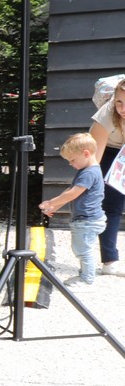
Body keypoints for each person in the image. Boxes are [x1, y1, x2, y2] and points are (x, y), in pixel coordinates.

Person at [39, 131, 106, 287]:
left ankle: (87, 280)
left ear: (86, 154)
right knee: (82, 249)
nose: (71, 164)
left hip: (87, 220)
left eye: (72, 160)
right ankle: (84, 276)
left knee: (83, 251)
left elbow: (72, 194)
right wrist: (54, 206)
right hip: (87, 220)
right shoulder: (87, 171)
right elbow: (70, 192)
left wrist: (50, 202)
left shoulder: (89, 173)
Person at [86, 75, 125, 275]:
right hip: (109, 150)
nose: (123, 109)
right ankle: (109, 261)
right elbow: (94, 161)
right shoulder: (107, 114)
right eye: (119, 102)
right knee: (112, 204)